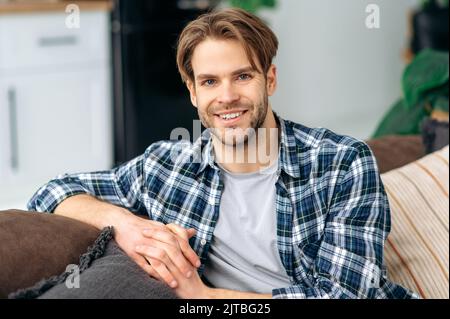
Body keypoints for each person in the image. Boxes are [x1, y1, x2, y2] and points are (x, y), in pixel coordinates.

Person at [27, 8, 416, 299]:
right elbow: (52, 192)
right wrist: (127, 225)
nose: (227, 96)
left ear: (271, 80)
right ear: (194, 93)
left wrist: (205, 298)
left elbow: (347, 297)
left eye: (243, 76)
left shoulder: (343, 164)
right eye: (210, 81)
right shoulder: (166, 167)